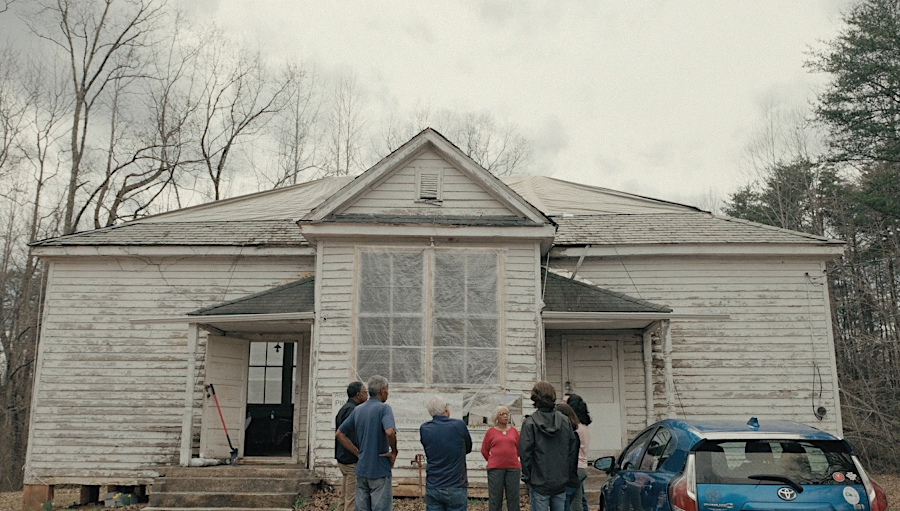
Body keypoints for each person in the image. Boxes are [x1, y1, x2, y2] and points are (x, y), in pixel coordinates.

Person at [336, 375, 398, 511]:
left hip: (362, 468)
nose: (387, 392)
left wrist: (358, 453)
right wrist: (394, 451)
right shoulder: (384, 409)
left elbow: (340, 434)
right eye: (387, 389)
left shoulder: (358, 410)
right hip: (379, 468)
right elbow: (389, 432)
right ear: (382, 390)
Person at [519, 381, 577, 511]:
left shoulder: (530, 423)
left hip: (539, 481)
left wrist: (528, 477)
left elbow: (525, 453)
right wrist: (567, 474)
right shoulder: (564, 421)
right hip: (560, 480)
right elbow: (572, 451)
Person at [419, 395, 473, 511]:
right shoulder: (459, 425)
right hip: (456, 484)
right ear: (446, 409)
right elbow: (468, 448)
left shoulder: (425, 428)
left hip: (434, 484)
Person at [335, 381, 368, 511]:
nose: (367, 396)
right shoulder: (353, 411)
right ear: (358, 395)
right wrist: (358, 454)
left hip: (342, 459)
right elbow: (347, 437)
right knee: (351, 501)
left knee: (344, 497)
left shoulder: (344, 408)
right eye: (365, 392)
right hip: (351, 461)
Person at [481, 405, 521, 511]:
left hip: (513, 469)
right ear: (496, 417)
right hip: (495, 470)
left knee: (513, 498)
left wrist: (510, 457)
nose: (505, 416)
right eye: (502, 414)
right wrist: (493, 460)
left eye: (506, 414)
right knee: (495, 499)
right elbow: (484, 450)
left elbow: (519, 449)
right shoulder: (491, 432)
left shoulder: (514, 431)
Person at [565, 395, 592, 511]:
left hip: (575, 468)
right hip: (582, 467)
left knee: (571, 502)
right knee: (579, 500)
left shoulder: (575, 428)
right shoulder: (584, 426)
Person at [555, 403, 582, 511]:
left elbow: (569, 460)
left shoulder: (570, 436)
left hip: (566, 480)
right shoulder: (573, 434)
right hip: (570, 479)